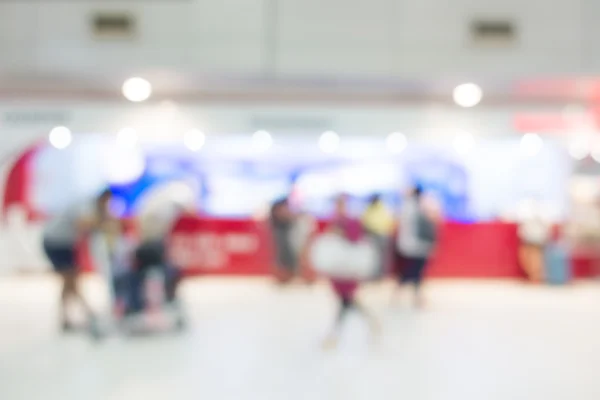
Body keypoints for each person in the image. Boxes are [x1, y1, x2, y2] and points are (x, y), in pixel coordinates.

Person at [42, 188, 113, 333]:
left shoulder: (94, 209)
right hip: (56, 242)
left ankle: (65, 318)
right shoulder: (86, 206)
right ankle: (89, 312)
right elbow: (82, 224)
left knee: (68, 282)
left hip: (66, 243)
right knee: (71, 280)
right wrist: (102, 221)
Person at [323, 194, 380, 349]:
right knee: (347, 301)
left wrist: (342, 235)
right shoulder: (334, 220)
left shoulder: (351, 221)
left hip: (348, 270)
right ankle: (371, 322)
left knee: (345, 302)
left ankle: (334, 334)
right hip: (338, 270)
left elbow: (356, 241)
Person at [396, 185, 438, 308]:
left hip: (413, 244)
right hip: (417, 244)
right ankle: (416, 297)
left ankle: (414, 296)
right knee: (414, 271)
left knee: (412, 271)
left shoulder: (410, 205)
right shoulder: (417, 206)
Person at [361, 194, 395, 279]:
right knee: (377, 256)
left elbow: (389, 221)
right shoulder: (374, 208)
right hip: (376, 234)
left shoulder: (381, 208)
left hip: (380, 234)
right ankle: (376, 275)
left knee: (381, 256)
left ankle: (380, 275)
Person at [269, 197, 298, 284]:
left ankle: (289, 273)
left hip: (288, 238)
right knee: (282, 253)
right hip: (281, 237)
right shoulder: (278, 228)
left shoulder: (289, 224)